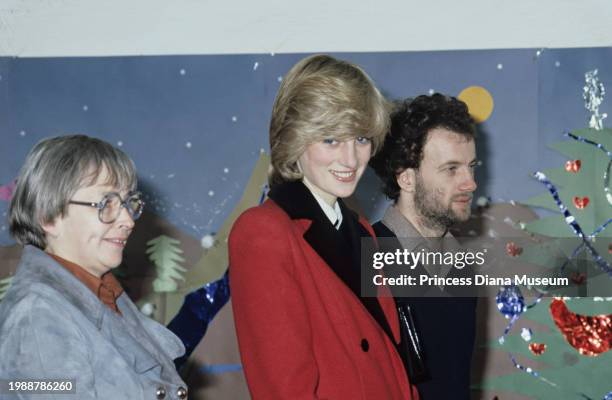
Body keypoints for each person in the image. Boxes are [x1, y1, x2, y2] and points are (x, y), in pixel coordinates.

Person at [228, 55, 419, 399]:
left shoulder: (361, 230)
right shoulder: (264, 232)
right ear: (294, 140)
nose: (350, 160)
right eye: (331, 140)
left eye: (361, 139)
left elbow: (393, 363)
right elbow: (285, 390)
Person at [0, 135, 188, 399]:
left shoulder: (105, 296)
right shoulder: (37, 317)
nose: (127, 220)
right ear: (48, 216)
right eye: (106, 204)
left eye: (127, 203)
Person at [370, 94, 479, 399]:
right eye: (451, 169)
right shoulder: (367, 259)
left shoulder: (464, 268)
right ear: (406, 178)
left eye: (471, 166)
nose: (470, 183)